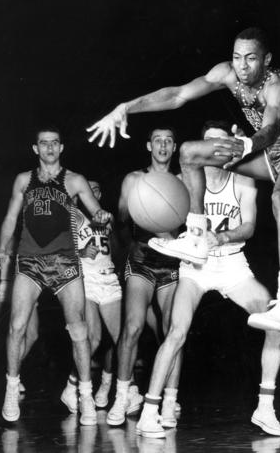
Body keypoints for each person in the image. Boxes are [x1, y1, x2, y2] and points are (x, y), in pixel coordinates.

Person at [87, 27, 280, 336]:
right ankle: (197, 236)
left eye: (251, 59)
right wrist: (126, 107)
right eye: (237, 57)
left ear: (266, 60)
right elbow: (177, 95)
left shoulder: (278, 85)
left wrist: (248, 145)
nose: (242, 66)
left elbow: (271, 127)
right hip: (262, 151)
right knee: (189, 153)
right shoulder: (227, 74)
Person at [136, 121, 280, 438]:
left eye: (219, 143)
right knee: (176, 333)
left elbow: (249, 227)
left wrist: (220, 238)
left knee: (276, 319)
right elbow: (161, 220)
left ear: (229, 146)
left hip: (232, 264)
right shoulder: (184, 180)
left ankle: (265, 407)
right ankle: (149, 412)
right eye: (207, 143)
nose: (212, 150)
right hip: (195, 267)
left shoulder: (243, 179)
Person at [0, 125, 111, 425]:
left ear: (61, 147)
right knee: (17, 326)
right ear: (36, 149)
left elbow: (97, 215)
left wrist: (102, 218)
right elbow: (9, 218)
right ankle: (11, 386)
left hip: (66, 262)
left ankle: (85, 395)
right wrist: (3, 249)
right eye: (43, 144)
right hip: (30, 261)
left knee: (79, 330)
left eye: (54, 143)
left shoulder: (75, 180)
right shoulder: (23, 180)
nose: (49, 148)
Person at [106, 127, 182, 427]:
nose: (163, 145)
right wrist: (142, 203)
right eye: (158, 140)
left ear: (174, 147)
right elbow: (123, 219)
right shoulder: (134, 179)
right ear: (149, 145)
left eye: (168, 140)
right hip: (142, 261)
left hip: (173, 263)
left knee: (173, 330)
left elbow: (192, 222)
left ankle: (171, 400)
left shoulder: (183, 180)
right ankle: (122, 396)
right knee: (133, 326)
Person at [60, 180, 124, 413]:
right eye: (89, 189)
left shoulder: (106, 218)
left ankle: (107, 387)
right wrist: (81, 252)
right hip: (86, 279)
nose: (93, 193)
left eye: (97, 189)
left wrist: (111, 234)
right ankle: (72, 385)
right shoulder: (72, 214)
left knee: (122, 339)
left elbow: (116, 249)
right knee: (94, 338)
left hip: (108, 279)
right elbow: (58, 250)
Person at [0, 233, 38, 394]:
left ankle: (12, 373)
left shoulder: (33, 233)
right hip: (8, 286)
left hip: (29, 286)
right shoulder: (8, 235)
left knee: (33, 335)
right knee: (5, 331)